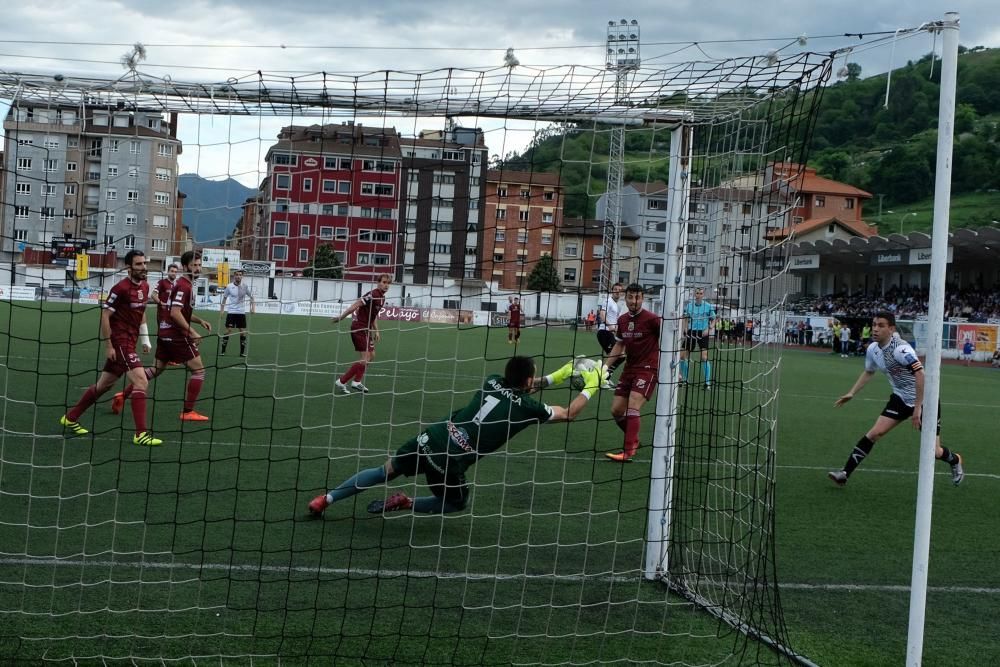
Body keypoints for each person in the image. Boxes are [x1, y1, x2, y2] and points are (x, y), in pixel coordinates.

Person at [307, 355, 602, 517]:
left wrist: (558, 376)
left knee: (384, 470)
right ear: (526, 381)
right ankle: (407, 502)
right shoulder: (528, 407)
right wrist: (592, 385)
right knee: (456, 504)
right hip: (450, 461)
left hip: (430, 437)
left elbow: (522, 386)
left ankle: (326, 499)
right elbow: (569, 413)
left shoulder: (492, 380)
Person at [828, 311, 964, 487]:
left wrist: (917, 408)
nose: (875, 329)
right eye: (874, 324)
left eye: (881, 325)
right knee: (874, 433)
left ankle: (955, 460)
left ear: (891, 329)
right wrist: (852, 393)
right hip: (900, 398)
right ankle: (844, 474)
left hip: (925, 401)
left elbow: (920, 374)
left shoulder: (901, 349)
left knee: (934, 452)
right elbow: (869, 371)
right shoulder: (873, 349)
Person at [60, 251, 162, 446]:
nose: (143, 267)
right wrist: (109, 345)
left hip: (130, 342)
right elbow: (105, 315)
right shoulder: (120, 288)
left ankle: (71, 417)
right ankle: (141, 434)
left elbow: (141, 314)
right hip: (120, 342)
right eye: (139, 264)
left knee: (104, 385)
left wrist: (145, 340)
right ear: (129, 267)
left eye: (144, 263)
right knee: (141, 381)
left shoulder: (146, 286)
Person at [117, 251, 214, 421]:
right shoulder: (185, 286)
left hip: (165, 332)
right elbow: (176, 314)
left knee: (155, 370)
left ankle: (122, 396)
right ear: (185, 267)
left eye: (199, 265)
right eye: (194, 266)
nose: (198, 269)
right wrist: (191, 332)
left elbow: (179, 312)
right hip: (176, 335)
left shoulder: (183, 285)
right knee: (199, 371)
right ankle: (188, 411)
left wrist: (200, 321)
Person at [604, 284, 661, 463]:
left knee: (633, 406)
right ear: (625, 298)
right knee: (616, 410)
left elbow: (668, 340)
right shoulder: (622, 320)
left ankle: (628, 451)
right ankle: (634, 440)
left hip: (648, 369)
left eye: (637, 297)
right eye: (630, 297)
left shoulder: (653, 319)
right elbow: (619, 345)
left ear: (642, 298)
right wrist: (605, 368)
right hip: (629, 368)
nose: (633, 301)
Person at [333, 273, 391, 394]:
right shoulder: (373, 294)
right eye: (384, 282)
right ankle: (342, 381)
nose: (386, 285)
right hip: (358, 328)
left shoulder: (382, 298)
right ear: (378, 282)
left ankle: (357, 381)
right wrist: (341, 317)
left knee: (372, 355)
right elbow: (356, 305)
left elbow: (373, 315)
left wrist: (377, 330)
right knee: (365, 358)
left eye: (388, 283)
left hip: (366, 329)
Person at [679, 287, 716, 389]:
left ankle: (707, 383)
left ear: (703, 295)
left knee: (704, 357)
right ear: (694, 295)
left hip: (703, 333)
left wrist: (709, 329)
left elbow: (715, 319)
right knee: (682, 356)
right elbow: (686, 318)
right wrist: (685, 328)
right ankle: (685, 380)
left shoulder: (708, 306)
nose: (699, 295)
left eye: (700, 293)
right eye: (697, 293)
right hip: (691, 332)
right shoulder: (689, 306)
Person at [219, 269, 255, 357]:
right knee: (228, 330)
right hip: (231, 312)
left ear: (242, 276)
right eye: (237, 275)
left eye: (240, 275)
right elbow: (224, 298)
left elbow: (252, 297)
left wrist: (253, 308)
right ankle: (223, 351)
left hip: (241, 313)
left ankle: (242, 353)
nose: (238, 276)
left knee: (242, 332)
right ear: (234, 276)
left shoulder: (245, 287)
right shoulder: (229, 286)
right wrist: (222, 310)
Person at [596, 283, 624, 389]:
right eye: (615, 289)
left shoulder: (617, 305)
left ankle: (604, 378)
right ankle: (602, 379)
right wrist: (610, 326)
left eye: (619, 290)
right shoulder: (608, 301)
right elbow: (602, 314)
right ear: (612, 291)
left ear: (621, 293)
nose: (617, 291)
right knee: (617, 356)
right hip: (604, 332)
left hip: (610, 333)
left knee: (621, 356)